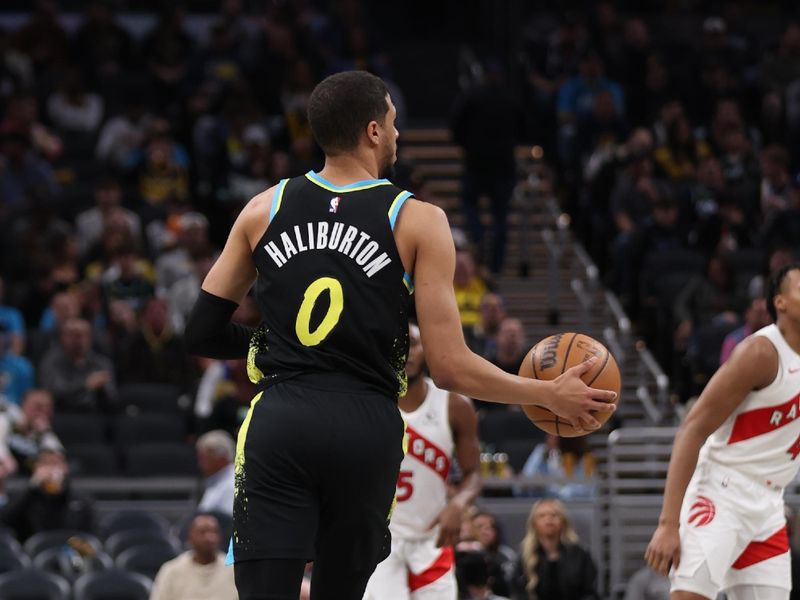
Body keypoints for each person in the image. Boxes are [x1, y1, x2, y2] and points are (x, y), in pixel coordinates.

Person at [184, 70, 616, 600]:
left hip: (281, 418)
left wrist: (262, 347)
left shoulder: (262, 208)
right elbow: (451, 367)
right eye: (391, 122)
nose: (396, 134)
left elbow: (200, 331)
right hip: (366, 423)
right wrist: (545, 393)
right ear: (371, 131)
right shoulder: (416, 219)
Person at [645, 263, 800, 599]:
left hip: (770, 504)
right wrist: (668, 524)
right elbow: (692, 428)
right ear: (780, 302)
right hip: (721, 491)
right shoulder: (761, 353)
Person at [363, 322, 481, 598]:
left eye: (413, 344)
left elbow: (473, 473)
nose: (406, 353)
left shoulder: (454, 405)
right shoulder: (368, 402)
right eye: (399, 345)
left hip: (432, 537)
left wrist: (459, 503)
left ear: (426, 349)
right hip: (380, 538)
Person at [511, 499, 599, 600]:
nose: (548, 519)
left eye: (554, 515)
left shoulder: (581, 555)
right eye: (542, 516)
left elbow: (590, 593)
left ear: (563, 521)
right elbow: (518, 593)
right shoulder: (524, 558)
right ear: (534, 523)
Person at [0, 449, 93, 541]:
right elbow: (5, 520)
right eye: (45, 464)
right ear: (35, 468)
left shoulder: (79, 499)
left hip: (69, 550)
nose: (50, 469)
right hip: (30, 551)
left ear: (65, 468)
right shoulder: (23, 496)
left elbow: (91, 534)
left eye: (55, 463)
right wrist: (32, 487)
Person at [150, 513, 237, 600]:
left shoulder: (234, 570)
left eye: (214, 532)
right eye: (202, 532)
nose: (209, 538)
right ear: (190, 538)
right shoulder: (171, 571)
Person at [196, 430, 235, 516]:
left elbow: (228, 522)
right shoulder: (216, 481)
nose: (199, 464)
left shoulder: (232, 484)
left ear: (220, 458)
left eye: (203, 458)